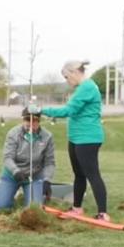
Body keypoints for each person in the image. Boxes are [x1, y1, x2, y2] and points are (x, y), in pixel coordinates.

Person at [28, 60, 109, 220]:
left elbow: (69, 110)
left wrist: (41, 110)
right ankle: (77, 209)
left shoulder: (87, 87)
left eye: (66, 77)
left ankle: (103, 213)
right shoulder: (81, 88)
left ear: (74, 72)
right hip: (76, 138)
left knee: (93, 174)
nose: (67, 81)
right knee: (79, 175)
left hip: (87, 139)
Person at [0, 108, 56, 209]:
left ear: (39, 121)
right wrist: (16, 171)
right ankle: (10, 194)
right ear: (23, 120)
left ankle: (29, 195)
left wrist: (47, 180)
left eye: (34, 120)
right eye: (27, 120)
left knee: (34, 208)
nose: (30, 123)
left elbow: (50, 162)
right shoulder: (13, 133)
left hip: (34, 176)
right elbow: (8, 158)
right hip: (12, 176)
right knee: (0, 206)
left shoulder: (47, 136)